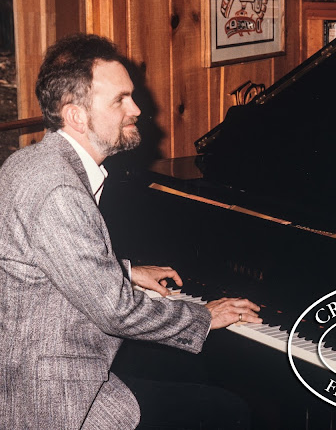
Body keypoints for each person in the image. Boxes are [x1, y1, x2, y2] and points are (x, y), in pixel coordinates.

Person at [0, 33, 262, 429]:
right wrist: (203, 316)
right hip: (54, 397)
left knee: (189, 374)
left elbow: (53, 265)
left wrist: (125, 272)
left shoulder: (29, 161)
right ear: (76, 116)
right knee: (228, 410)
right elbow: (117, 312)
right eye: (120, 100)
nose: (136, 109)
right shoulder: (59, 192)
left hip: (34, 361)